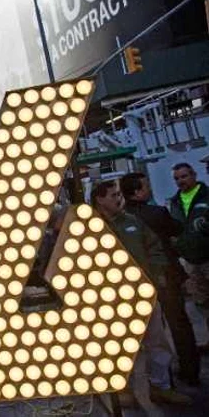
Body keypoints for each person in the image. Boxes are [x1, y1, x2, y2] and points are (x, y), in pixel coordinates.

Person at [91, 181, 192, 405]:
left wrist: (156, 275)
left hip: (143, 293)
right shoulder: (90, 227)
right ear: (99, 199)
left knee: (156, 340)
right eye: (114, 195)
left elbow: (154, 246)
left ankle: (160, 386)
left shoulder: (132, 221)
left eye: (119, 194)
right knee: (120, 345)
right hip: (112, 299)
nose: (119, 198)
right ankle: (124, 389)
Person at [120, 172, 200, 384]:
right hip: (166, 276)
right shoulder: (157, 213)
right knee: (179, 325)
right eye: (145, 186)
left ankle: (161, 379)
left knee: (151, 332)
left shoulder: (121, 219)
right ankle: (189, 372)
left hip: (137, 281)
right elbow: (178, 230)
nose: (149, 189)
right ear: (137, 192)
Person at [168, 163, 209, 326]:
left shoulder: (206, 196)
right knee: (201, 302)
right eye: (177, 178)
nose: (180, 181)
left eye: (184, 176)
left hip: (208, 257)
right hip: (190, 261)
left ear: (194, 175)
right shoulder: (175, 202)